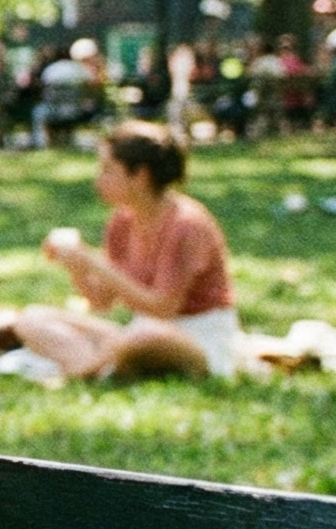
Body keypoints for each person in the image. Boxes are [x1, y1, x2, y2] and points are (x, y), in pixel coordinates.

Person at [14, 122, 237, 380]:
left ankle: (86, 368)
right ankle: (95, 367)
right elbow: (101, 301)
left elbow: (163, 308)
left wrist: (92, 261)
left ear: (140, 176)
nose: (99, 179)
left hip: (193, 339)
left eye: (108, 170)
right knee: (32, 319)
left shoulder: (186, 224)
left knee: (144, 338)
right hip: (139, 332)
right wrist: (76, 264)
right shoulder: (122, 221)